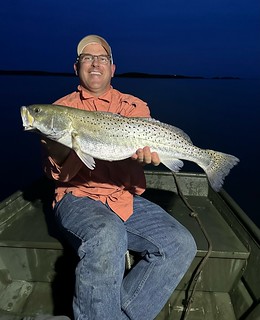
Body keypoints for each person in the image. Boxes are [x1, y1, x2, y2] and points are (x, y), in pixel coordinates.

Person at [41, 34, 197, 320]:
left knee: (181, 243)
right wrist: (57, 147)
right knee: (107, 235)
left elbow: (145, 146)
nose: (95, 63)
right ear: (77, 67)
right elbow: (56, 174)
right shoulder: (60, 110)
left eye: (102, 58)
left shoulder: (133, 107)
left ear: (113, 68)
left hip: (122, 197)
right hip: (78, 197)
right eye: (87, 58)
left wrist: (150, 157)